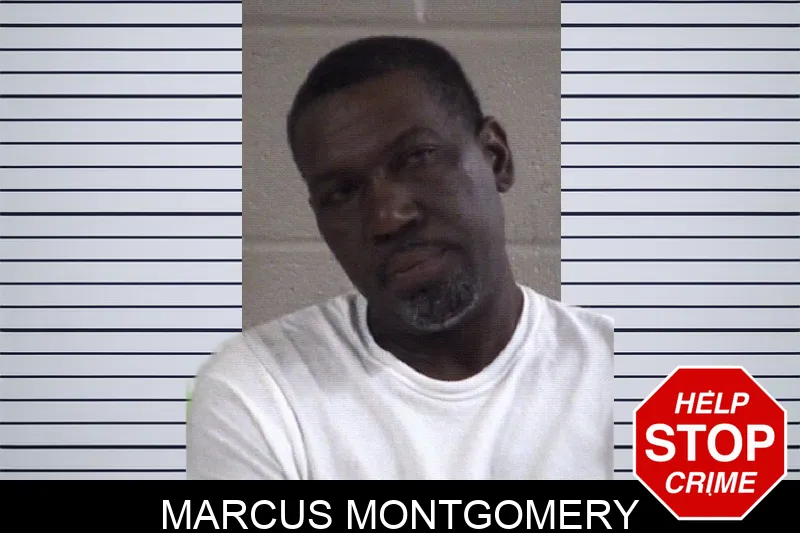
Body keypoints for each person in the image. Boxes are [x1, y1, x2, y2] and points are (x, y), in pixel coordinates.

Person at [186, 36, 614, 480]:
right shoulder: (258, 391)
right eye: (342, 192)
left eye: (418, 158)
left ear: (496, 158)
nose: (387, 217)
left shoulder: (630, 379)